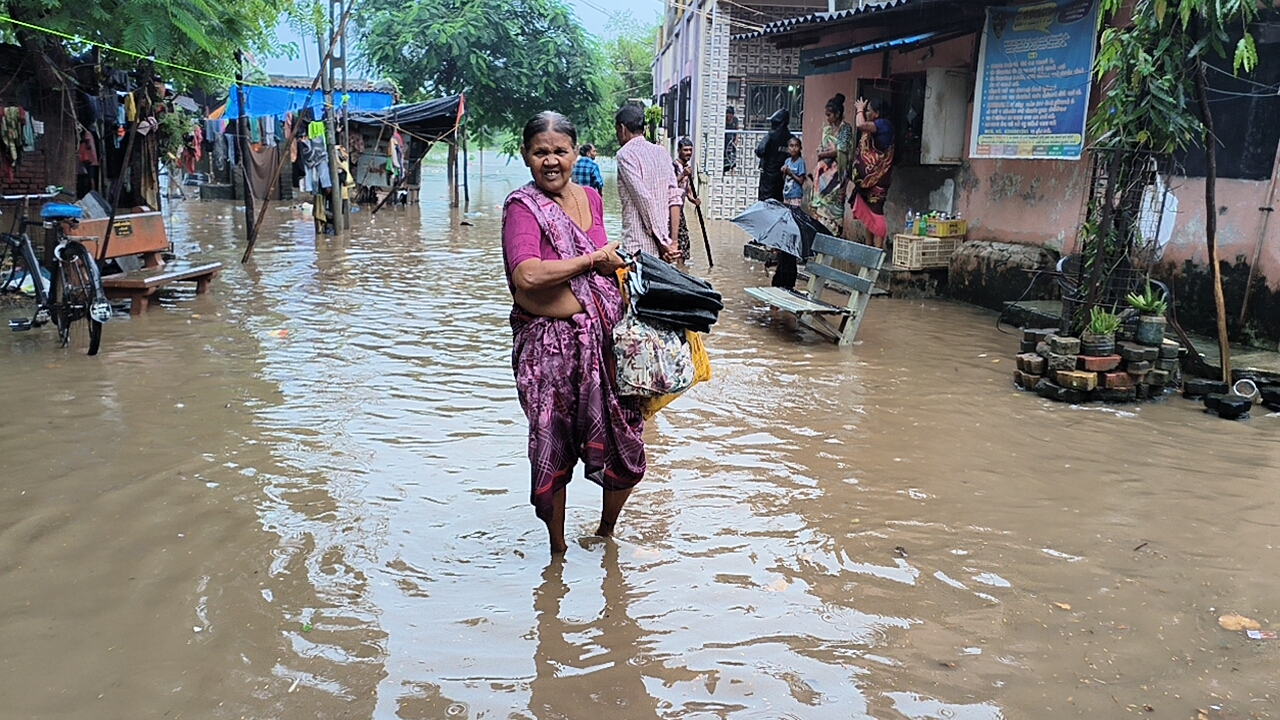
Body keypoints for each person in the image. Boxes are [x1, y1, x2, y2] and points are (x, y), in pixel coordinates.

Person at [501, 111, 645, 556]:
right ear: (526, 156)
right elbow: (526, 275)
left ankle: (605, 535)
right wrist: (592, 261)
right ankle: (558, 551)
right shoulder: (522, 209)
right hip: (548, 353)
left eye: (559, 151)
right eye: (540, 152)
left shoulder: (591, 198)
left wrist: (610, 264)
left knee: (626, 442)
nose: (550, 161)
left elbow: (607, 263)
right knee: (553, 445)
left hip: (606, 344)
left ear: (574, 151)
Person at [614, 103, 683, 263]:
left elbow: (643, 198)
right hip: (665, 248)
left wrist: (662, 245)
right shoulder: (662, 152)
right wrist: (673, 242)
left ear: (622, 128)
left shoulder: (625, 154)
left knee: (636, 287)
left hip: (638, 248)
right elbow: (675, 198)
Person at [851, 97, 895, 248]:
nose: (866, 113)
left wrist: (859, 109)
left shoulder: (885, 125)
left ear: (876, 113)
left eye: (868, 111)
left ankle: (877, 250)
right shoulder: (877, 126)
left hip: (878, 178)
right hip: (867, 180)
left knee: (876, 210)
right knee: (868, 212)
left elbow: (861, 125)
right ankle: (869, 247)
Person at [810, 93, 853, 236]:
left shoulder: (845, 129)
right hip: (822, 177)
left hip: (837, 177)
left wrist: (824, 154)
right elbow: (821, 147)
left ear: (837, 114)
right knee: (820, 211)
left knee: (834, 211)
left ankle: (833, 241)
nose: (827, 118)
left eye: (829, 115)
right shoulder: (827, 130)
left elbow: (842, 150)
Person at [754, 108, 792, 202]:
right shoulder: (790, 138)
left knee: (764, 203)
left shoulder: (770, 136)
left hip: (767, 175)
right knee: (778, 202)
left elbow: (760, 150)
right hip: (781, 177)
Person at [672, 137, 700, 263]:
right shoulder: (673, 166)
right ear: (679, 151)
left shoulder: (687, 168)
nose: (688, 153)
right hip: (670, 209)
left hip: (680, 209)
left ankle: (681, 268)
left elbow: (687, 190)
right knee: (670, 240)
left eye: (690, 150)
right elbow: (669, 184)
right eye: (685, 150)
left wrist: (694, 200)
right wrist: (682, 174)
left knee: (684, 242)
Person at [781, 137, 806, 209]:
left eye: (796, 146)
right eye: (791, 146)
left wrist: (791, 173)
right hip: (787, 194)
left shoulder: (800, 162)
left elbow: (801, 181)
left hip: (795, 195)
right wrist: (784, 172)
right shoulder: (787, 161)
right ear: (788, 148)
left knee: (794, 215)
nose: (794, 148)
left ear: (800, 148)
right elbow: (784, 178)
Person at [723, 106, 738, 173]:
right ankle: (724, 170)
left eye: (730, 115)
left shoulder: (735, 120)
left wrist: (736, 139)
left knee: (733, 154)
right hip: (726, 139)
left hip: (732, 139)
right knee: (725, 154)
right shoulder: (724, 120)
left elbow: (737, 130)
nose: (729, 117)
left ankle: (733, 171)